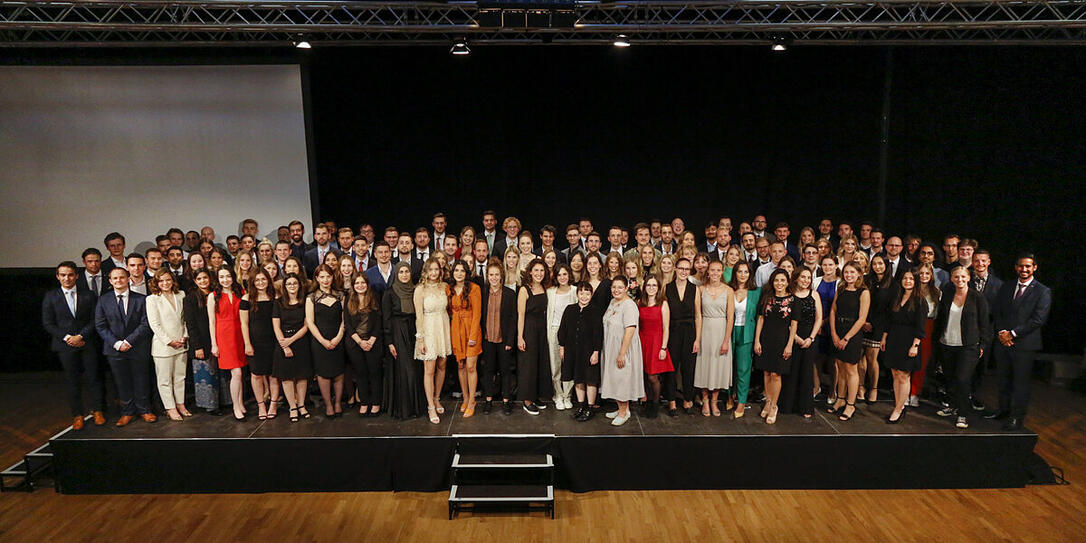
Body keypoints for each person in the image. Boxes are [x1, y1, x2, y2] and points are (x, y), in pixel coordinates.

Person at [986, 254, 1051, 431]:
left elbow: (1038, 319)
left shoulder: (1042, 291)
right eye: (1021, 266)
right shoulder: (1006, 287)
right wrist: (1001, 333)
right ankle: (1003, 410)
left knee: (1020, 383)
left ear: (1034, 268)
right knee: (1002, 379)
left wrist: (1012, 334)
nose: (1024, 269)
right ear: (1016, 267)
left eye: (1028, 267)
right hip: (1002, 341)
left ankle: (1016, 417)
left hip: (1025, 345)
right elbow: (997, 312)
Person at [43, 261, 105, 429]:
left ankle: (97, 410)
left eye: (70, 274)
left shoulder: (89, 295)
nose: (67, 278)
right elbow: (48, 323)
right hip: (65, 345)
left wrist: (81, 335)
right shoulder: (51, 296)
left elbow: (95, 319)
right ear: (58, 277)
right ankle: (77, 415)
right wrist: (67, 337)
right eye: (63, 275)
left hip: (87, 342)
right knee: (72, 381)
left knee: (94, 378)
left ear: (76, 276)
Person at [95, 267, 155, 426]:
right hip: (114, 349)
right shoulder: (103, 300)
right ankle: (127, 412)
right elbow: (100, 326)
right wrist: (116, 343)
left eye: (122, 277)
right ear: (110, 281)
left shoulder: (142, 299)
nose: (118, 281)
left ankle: (144, 410)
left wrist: (129, 341)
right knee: (122, 382)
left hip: (138, 347)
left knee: (141, 379)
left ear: (128, 278)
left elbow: (145, 323)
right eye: (115, 278)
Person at [934, 266, 991, 428]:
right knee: (950, 378)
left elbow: (984, 324)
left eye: (963, 277)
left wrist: (983, 344)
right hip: (947, 343)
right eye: (956, 277)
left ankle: (963, 414)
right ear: (951, 279)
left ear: (968, 278)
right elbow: (940, 320)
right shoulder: (947, 296)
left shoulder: (977, 297)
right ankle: (953, 406)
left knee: (963, 379)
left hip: (969, 346)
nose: (960, 280)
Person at [881, 269, 927, 423]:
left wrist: (915, 345)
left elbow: (921, 327)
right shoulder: (897, 297)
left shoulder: (920, 300)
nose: (907, 281)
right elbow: (889, 320)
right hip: (894, 338)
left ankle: (899, 408)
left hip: (909, 341)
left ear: (916, 281)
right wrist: (884, 338)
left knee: (904, 375)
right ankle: (897, 404)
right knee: (895, 373)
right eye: (905, 278)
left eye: (911, 279)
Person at [753, 268, 798, 424]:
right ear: (772, 282)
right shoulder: (767, 298)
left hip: (782, 341)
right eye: (776, 280)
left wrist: (790, 345)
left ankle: (774, 406)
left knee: (776, 374)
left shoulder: (793, 300)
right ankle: (768, 401)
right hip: (766, 339)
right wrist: (757, 340)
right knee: (766, 372)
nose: (779, 283)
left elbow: (794, 325)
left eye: (782, 280)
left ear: (787, 282)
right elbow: (760, 319)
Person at [827, 262, 870, 422]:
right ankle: (841, 398)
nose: (849, 275)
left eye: (852, 272)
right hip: (837, 329)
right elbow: (833, 311)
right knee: (839, 366)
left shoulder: (863, 292)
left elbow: (862, 319)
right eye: (846, 272)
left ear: (859, 274)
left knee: (851, 369)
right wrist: (834, 334)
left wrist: (846, 338)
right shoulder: (841, 288)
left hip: (852, 334)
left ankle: (851, 404)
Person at [146, 268, 190, 422]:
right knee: (164, 380)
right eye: (161, 280)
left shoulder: (181, 294)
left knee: (180, 377)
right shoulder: (152, 299)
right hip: (164, 346)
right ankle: (170, 408)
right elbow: (155, 325)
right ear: (156, 282)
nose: (165, 283)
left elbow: (185, 319)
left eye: (168, 280)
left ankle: (180, 404)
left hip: (181, 343)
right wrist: (169, 341)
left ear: (173, 281)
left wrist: (184, 337)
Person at [601, 276, 644, 426]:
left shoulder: (629, 305)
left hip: (623, 347)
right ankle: (621, 407)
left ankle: (623, 412)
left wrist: (622, 353)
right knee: (615, 378)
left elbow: (630, 330)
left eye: (620, 287)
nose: (616, 290)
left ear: (626, 288)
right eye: (614, 287)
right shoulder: (613, 302)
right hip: (612, 346)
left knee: (622, 379)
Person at [779, 267, 821, 419]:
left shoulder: (814, 295)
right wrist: (796, 338)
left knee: (807, 372)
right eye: (803, 277)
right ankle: (788, 405)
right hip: (792, 336)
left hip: (810, 337)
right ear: (796, 278)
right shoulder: (789, 296)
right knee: (792, 371)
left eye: (808, 277)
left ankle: (806, 407)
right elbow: (787, 320)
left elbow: (818, 319)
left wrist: (811, 338)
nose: (806, 280)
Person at [694, 260, 735, 417]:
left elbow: (730, 317)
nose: (715, 273)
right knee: (704, 365)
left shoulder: (729, 291)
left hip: (721, 330)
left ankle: (714, 400)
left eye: (718, 270)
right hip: (704, 330)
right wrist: (698, 339)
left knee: (719, 366)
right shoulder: (700, 289)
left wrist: (726, 340)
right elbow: (698, 315)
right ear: (708, 272)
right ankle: (705, 400)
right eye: (713, 270)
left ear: (722, 272)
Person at [559, 281, 604, 422]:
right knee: (578, 378)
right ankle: (581, 406)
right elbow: (563, 330)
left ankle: (590, 408)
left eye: (587, 293)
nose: (584, 296)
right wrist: (562, 347)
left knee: (590, 380)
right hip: (573, 350)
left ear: (591, 295)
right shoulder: (569, 309)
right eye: (581, 293)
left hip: (589, 351)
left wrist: (596, 352)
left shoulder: (596, 311)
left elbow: (598, 334)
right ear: (577, 294)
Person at [414, 258, 452, 423]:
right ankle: (430, 406)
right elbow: (418, 316)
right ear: (426, 272)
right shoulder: (420, 290)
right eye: (431, 270)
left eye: (436, 269)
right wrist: (420, 339)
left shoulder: (444, 287)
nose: (434, 273)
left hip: (443, 328)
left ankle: (437, 398)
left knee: (442, 365)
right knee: (429, 369)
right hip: (428, 330)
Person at [306, 264, 346, 418]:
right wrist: (322, 341)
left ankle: (337, 403)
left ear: (332, 277)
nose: (325, 280)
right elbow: (310, 322)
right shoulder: (311, 297)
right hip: (319, 340)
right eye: (322, 277)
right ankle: (328, 404)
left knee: (339, 373)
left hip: (338, 338)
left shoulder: (340, 295)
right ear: (317, 278)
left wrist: (337, 338)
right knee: (323, 373)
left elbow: (344, 320)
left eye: (328, 276)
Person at [272, 273, 313, 422]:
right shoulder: (278, 303)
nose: (292, 286)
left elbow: (306, 325)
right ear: (284, 287)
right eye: (289, 284)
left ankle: (301, 405)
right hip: (283, 343)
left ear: (299, 286)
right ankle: (292, 407)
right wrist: (285, 344)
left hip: (301, 341)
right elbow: (276, 326)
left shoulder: (304, 301)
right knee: (287, 377)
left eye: (295, 283)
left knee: (302, 376)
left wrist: (292, 340)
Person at [208, 267, 247, 421]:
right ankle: (235, 407)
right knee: (236, 373)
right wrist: (214, 344)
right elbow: (211, 322)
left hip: (240, 334)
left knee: (241, 373)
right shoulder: (213, 296)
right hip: (224, 336)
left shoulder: (241, 293)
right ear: (217, 279)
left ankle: (241, 403)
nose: (225, 280)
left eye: (228, 276)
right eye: (222, 277)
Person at [479, 260, 518, 415]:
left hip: (504, 340)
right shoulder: (483, 292)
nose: (494, 277)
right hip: (487, 339)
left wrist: (510, 340)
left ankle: (506, 401)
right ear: (487, 276)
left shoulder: (509, 294)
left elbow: (513, 319)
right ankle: (488, 400)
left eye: (497, 274)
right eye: (491, 275)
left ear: (501, 276)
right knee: (488, 371)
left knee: (505, 371)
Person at [240, 269, 279, 420]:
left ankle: (273, 404)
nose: (261, 283)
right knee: (256, 375)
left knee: (274, 375)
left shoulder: (275, 297)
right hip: (255, 342)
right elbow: (244, 324)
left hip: (274, 341)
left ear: (268, 280)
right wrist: (247, 344)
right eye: (257, 280)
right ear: (252, 282)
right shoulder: (246, 299)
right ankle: (261, 405)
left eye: (263, 279)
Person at [665, 257, 702, 416]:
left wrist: (697, 339)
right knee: (671, 368)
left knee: (688, 367)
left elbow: (698, 316)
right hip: (672, 331)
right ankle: (671, 401)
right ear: (675, 269)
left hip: (689, 332)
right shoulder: (667, 288)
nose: (684, 272)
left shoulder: (695, 289)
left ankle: (688, 399)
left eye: (687, 269)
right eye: (681, 268)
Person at [517, 258, 553, 414]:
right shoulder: (524, 290)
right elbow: (520, 315)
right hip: (529, 331)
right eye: (536, 270)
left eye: (541, 271)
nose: (539, 273)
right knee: (528, 366)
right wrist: (520, 337)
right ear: (530, 272)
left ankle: (536, 396)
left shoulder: (545, 288)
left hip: (542, 331)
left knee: (540, 364)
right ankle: (527, 400)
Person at [344, 274, 383, 417]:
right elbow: (347, 323)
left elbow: (379, 320)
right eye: (357, 283)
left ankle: (376, 403)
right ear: (353, 285)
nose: (360, 285)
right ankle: (364, 402)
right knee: (360, 374)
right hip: (355, 343)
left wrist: (371, 340)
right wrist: (360, 341)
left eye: (363, 283)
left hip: (373, 342)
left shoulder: (374, 297)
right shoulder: (349, 299)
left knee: (374, 373)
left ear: (367, 284)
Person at [448, 261, 482, 417]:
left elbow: (477, 315)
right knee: (460, 365)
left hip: (471, 329)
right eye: (456, 270)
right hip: (456, 329)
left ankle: (472, 401)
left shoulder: (474, 289)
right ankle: (465, 397)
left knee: (470, 366)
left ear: (466, 273)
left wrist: (473, 336)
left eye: (462, 270)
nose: (459, 273)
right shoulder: (449, 289)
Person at [728, 261, 760, 418]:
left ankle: (741, 402)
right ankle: (729, 396)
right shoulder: (728, 289)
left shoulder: (756, 292)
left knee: (743, 369)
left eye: (746, 272)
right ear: (735, 273)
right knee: (728, 367)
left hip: (747, 333)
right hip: (728, 332)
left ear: (750, 274)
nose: (742, 275)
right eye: (739, 271)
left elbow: (759, 317)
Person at [637, 275, 673, 419]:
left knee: (653, 377)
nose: (651, 288)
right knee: (644, 375)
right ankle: (648, 402)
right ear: (644, 287)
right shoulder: (640, 302)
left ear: (658, 288)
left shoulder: (663, 303)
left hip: (657, 342)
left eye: (654, 285)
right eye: (648, 285)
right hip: (642, 341)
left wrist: (663, 348)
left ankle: (656, 402)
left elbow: (666, 328)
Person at [859, 254, 892, 404]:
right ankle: (860, 387)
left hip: (879, 326)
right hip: (862, 322)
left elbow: (889, 311)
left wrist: (878, 327)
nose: (877, 266)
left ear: (886, 265)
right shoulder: (867, 281)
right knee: (860, 358)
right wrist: (864, 321)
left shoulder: (893, 284)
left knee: (872, 359)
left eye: (880, 264)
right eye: (874, 264)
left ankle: (873, 388)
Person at [908, 263, 942, 406]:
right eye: (921, 273)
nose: (924, 276)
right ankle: (904, 392)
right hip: (910, 327)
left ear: (931, 276)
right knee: (907, 361)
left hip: (927, 328)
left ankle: (915, 393)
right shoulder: (910, 289)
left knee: (921, 362)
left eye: (927, 274)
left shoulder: (937, 292)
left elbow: (937, 315)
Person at [546, 263, 577, 410]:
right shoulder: (551, 292)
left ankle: (567, 395)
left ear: (569, 275)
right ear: (555, 277)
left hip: (571, 332)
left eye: (565, 274)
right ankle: (558, 395)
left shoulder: (575, 291)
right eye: (559, 275)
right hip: (554, 330)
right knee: (555, 365)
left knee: (569, 365)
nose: (562, 277)